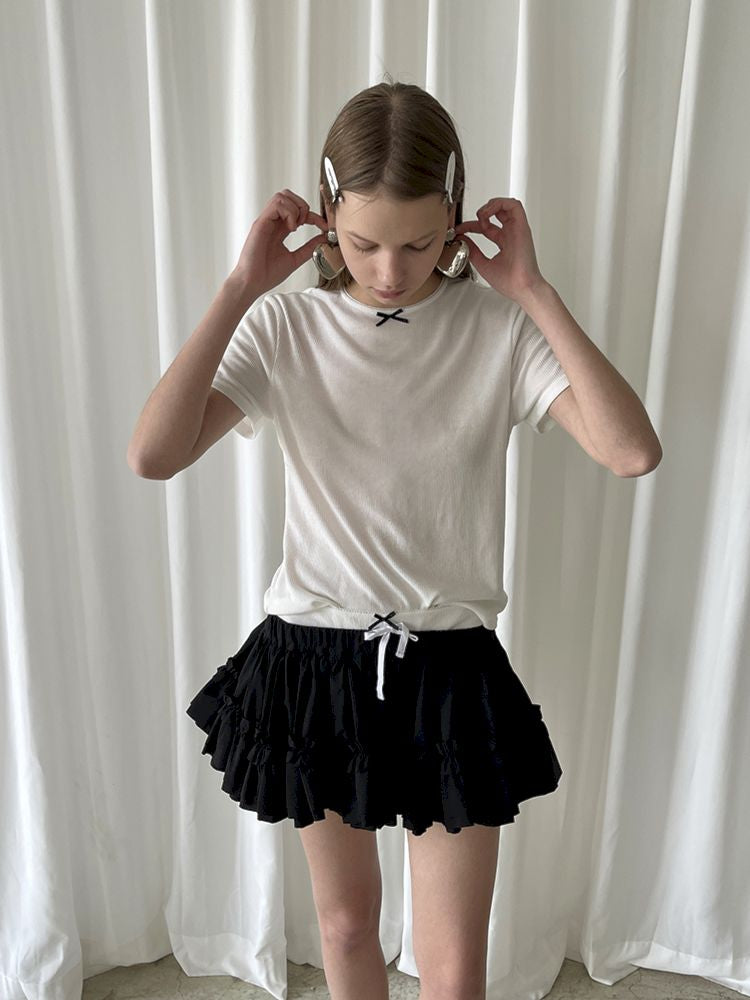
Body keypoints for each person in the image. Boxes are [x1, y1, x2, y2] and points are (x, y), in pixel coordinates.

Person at [128, 77, 662, 1000]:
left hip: (449, 666)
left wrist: (534, 291)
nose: (388, 271)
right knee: (345, 928)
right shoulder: (287, 325)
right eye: (363, 242)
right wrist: (239, 287)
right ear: (326, 214)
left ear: (455, 218)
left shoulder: (497, 330)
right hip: (315, 659)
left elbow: (631, 451)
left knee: (454, 969)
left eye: (417, 243)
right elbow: (154, 454)